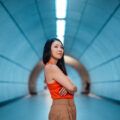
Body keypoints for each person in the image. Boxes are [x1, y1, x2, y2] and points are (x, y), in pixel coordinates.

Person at [42, 38, 77, 120]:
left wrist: (68, 88)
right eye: (56, 47)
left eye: (61, 47)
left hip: (69, 107)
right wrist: (70, 88)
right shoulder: (51, 67)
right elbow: (72, 88)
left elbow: (74, 88)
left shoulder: (58, 68)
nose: (60, 49)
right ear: (48, 50)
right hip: (61, 109)